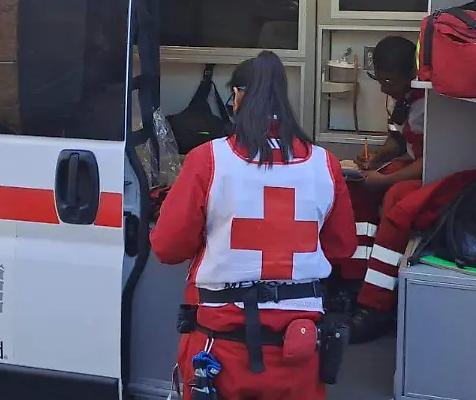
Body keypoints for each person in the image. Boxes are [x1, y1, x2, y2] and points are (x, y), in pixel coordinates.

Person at [151, 51, 357, 400]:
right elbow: (341, 247)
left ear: (236, 96)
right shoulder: (326, 163)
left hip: (222, 348)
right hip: (299, 348)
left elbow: (167, 247)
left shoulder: (208, 159)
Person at [333, 35, 430, 343]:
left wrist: (384, 179)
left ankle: (376, 306)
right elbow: (397, 141)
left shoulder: (432, 102)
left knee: (395, 202)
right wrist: (375, 159)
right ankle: (354, 280)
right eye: (380, 80)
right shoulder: (402, 100)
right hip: (411, 165)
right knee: (354, 190)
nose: (384, 89)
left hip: (432, 172)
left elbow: (430, 159)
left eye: (390, 81)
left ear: (411, 75)